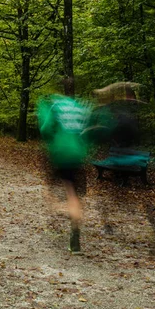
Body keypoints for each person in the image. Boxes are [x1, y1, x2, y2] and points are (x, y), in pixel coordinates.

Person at [37, 93, 91, 254]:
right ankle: (74, 233)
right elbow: (87, 133)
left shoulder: (56, 106)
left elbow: (45, 129)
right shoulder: (79, 107)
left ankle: (60, 209)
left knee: (62, 189)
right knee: (74, 193)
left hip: (61, 153)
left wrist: (53, 139)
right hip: (78, 154)